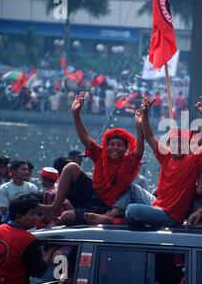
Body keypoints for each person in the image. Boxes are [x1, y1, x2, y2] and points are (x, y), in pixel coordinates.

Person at [39, 91, 144, 225]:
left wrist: (139, 126)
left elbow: (139, 151)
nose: (115, 148)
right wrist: (76, 114)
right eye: (112, 145)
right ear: (106, 146)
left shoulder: (129, 162)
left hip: (106, 206)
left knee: (66, 217)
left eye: (119, 145)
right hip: (91, 194)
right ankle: (55, 206)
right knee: (71, 167)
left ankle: (103, 218)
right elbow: (85, 138)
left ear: (125, 149)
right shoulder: (101, 155)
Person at [123, 95, 202, 228]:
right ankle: (115, 214)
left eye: (182, 143)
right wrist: (145, 114)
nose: (178, 146)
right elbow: (149, 137)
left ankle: (131, 219)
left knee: (131, 210)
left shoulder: (192, 160)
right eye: (174, 143)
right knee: (133, 189)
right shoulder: (166, 156)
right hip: (157, 205)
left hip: (170, 216)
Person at [0, 194, 51, 284]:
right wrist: (51, 251)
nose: (36, 218)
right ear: (19, 217)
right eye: (32, 214)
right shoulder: (28, 240)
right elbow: (38, 271)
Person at [0, 159, 38, 224]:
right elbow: (3, 210)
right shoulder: (4, 188)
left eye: (27, 169)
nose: (26, 172)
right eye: (23, 169)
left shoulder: (32, 187)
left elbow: (36, 207)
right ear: (14, 171)